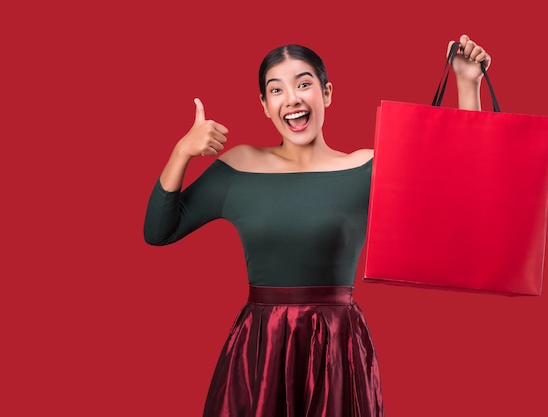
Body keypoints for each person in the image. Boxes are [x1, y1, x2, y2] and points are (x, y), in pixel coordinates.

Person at [144, 34, 491, 417]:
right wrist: (182, 152)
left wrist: (466, 82)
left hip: (338, 350)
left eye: (304, 83)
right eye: (277, 89)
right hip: (258, 351)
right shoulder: (240, 166)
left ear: (326, 93)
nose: (292, 98)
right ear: (264, 105)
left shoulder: (366, 168)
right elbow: (159, 231)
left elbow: (459, 186)